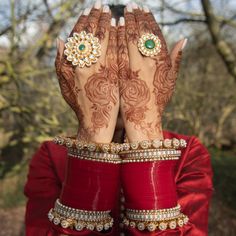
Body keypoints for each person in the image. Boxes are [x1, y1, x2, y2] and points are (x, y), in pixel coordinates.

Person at [24, 1, 213, 235]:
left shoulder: (188, 153)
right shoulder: (51, 156)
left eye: (135, 66)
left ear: (155, 70)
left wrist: (146, 133)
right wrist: (93, 138)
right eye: (102, 66)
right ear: (78, 76)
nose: (119, 81)